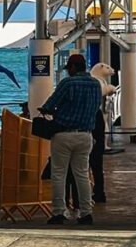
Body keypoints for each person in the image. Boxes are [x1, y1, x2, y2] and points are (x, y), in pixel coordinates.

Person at [39, 53, 102, 226]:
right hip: (85, 135)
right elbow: (97, 107)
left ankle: (59, 212)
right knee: (81, 174)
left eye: (69, 68)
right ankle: (86, 213)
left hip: (64, 135)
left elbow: (50, 105)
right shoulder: (96, 84)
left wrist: (48, 110)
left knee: (59, 174)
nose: (68, 71)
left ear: (73, 67)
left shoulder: (68, 83)